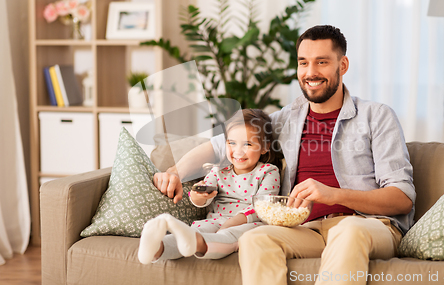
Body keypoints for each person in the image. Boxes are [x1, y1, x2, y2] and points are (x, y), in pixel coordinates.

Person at [153, 25, 416, 285]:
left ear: (343, 65)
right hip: (305, 228)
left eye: (322, 62)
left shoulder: (376, 116)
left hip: (367, 225)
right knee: (255, 238)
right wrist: (174, 173)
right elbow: (221, 146)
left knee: (348, 231)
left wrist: (334, 194)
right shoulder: (287, 119)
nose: (310, 72)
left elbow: (402, 198)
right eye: (303, 63)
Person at [138, 109, 281, 264]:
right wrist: (197, 196)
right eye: (232, 143)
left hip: (248, 224)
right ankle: (157, 248)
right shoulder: (218, 170)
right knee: (194, 231)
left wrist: (231, 223)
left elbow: (264, 207)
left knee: (229, 237)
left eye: (248, 144)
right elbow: (203, 199)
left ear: (265, 147)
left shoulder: (269, 171)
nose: (238, 151)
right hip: (215, 220)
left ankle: (195, 243)